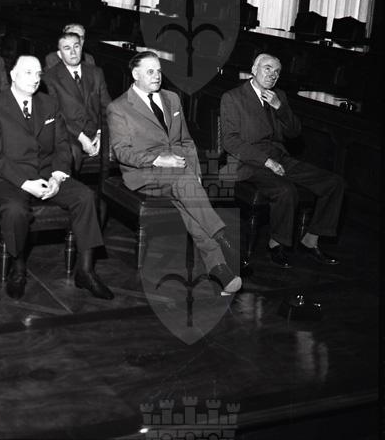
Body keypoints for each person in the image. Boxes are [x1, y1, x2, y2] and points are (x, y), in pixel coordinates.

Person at [107, 51, 243, 294]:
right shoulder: (119, 107)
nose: (157, 76)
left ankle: (220, 269)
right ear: (135, 74)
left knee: (187, 197)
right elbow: (122, 153)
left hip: (178, 173)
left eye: (159, 71)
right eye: (150, 71)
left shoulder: (172, 98)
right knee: (184, 182)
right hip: (145, 173)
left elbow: (186, 141)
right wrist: (158, 159)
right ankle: (222, 236)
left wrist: (195, 171)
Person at [0, 55, 114, 301]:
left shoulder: (49, 103)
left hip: (47, 172)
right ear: (13, 75)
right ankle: (18, 268)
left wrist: (57, 177)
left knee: (86, 197)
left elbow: (62, 146)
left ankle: (86, 271)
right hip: (8, 177)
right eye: (28, 73)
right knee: (15, 209)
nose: (35, 79)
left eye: (38, 74)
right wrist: (25, 184)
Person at [220, 53, 344, 268]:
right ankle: (276, 244)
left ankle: (311, 239)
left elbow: (294, 132)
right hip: (250, 161)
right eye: (267, 68)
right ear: (254, 69)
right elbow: (230, 141)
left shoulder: (279, 97)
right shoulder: (233, 97)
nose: (272, 75)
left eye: (277, 72)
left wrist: (280, 108)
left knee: (334, 183)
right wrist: (266, 162)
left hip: (280, 156)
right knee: (286, 190)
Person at [42, 31, 111, 172]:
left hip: (96, 131)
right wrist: (82, 138)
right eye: (67, 48)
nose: (73, 52)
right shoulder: (50, 78)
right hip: (70, 133)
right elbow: (57, 115)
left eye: (76, 46)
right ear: (60, 54)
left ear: (81, 48)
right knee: (70, 153)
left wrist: (100, 134)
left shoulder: (96, 72)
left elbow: (107, 107)